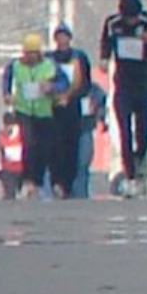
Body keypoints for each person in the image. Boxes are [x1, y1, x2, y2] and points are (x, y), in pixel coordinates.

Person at [100, 0, 147, 198]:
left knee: (142, 132)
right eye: (127, 19)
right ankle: (130, 175)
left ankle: (141, 164)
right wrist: (104, 58)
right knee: (124, 129)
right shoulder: (112, 23)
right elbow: (105, 43)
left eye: (133, 18)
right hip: (123, 84)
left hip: (146, 83)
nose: (130, 22)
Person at [3, 33, 61, 199]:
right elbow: (6, 79)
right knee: (29, 144)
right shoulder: (15, 66)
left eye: (34, 53)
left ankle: (38, 181)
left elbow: (62, 82)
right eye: (27, 53)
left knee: (43, 148)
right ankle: (27, 181)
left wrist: (52, 87)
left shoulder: (49, 65)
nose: (30, 57)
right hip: (24, 109)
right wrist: (7, 94)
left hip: (44, 111)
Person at [47, 23, 92, 198]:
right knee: (54, 147)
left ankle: (68, 183)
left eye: (65, 36)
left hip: (72, 108)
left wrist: (72, 96)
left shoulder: (78, 57)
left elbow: (86, 84)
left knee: (71, 146)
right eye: (59, 36)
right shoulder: (49, 58)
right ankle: (56, 181)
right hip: (52, 108)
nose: (62, 39)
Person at [73, 82, 107, 199]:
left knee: (82, 167)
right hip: (62, 131)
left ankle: (81, 198)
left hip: (84, 130)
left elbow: (102, 102)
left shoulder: (92, 89)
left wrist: (98, 112)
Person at [0, 112, 24, 200]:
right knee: (9, 193)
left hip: (20, 168)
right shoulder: (1, 135)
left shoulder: (22, 134)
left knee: (21, 192)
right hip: (6, 169)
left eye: (11, 125)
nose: (9, 127)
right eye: (7, 125)